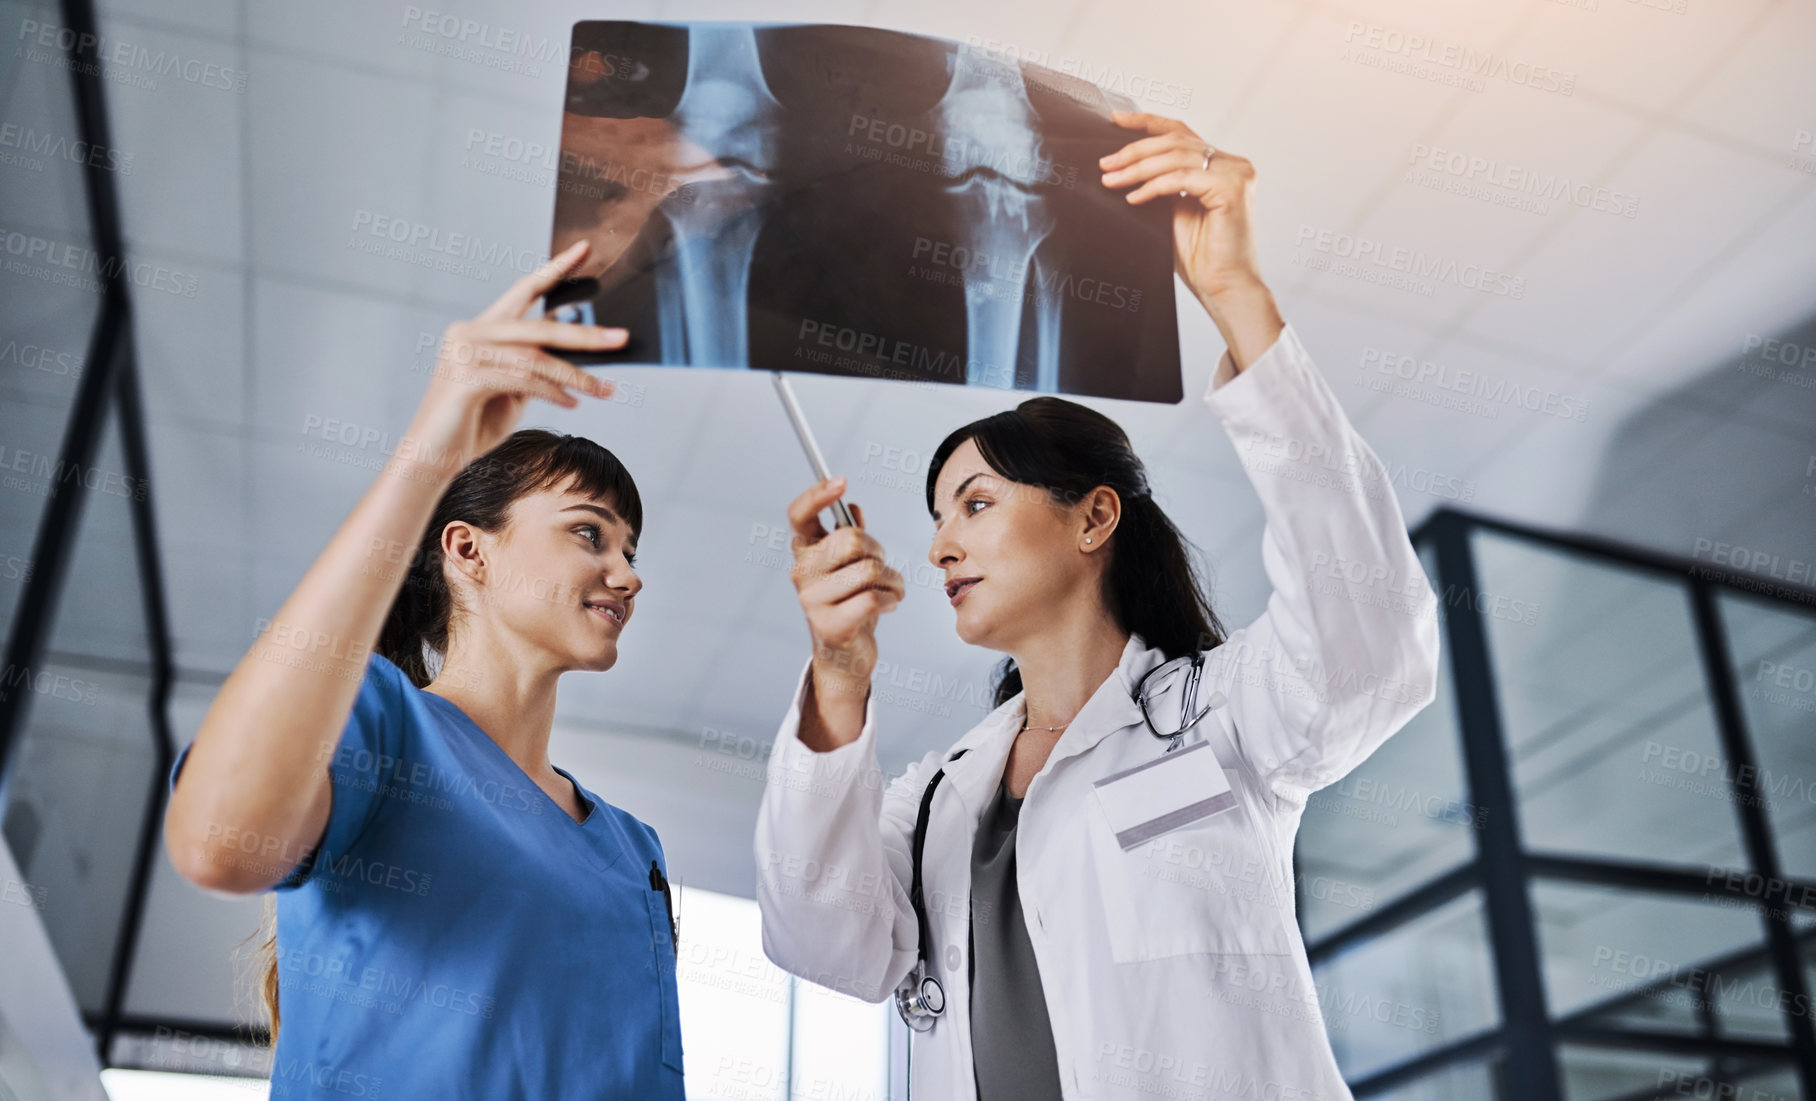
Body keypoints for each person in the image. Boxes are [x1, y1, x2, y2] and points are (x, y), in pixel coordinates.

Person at [754, 111, 1443, 1100]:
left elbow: (1369, 650)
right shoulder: (941, 795)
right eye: (938, 517)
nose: (943, 543)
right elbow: (823, 945)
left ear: (1092, 520)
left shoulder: (1216, 718)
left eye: (978, 504)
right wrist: (837, 679)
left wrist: (1235, 298)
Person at [162, 242, 685, 1099]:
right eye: (589, 533)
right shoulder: (380, 722)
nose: (627, 573)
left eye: (630, 549)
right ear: (467, 551)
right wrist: (433, 448)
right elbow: (219, 842)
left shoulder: (634, 851)